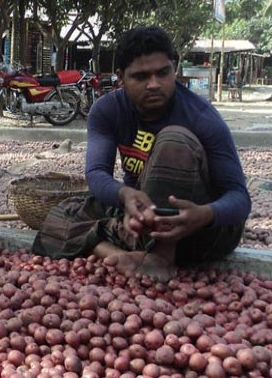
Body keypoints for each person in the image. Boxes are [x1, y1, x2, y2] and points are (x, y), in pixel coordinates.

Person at [32, 25, 250, 282]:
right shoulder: (107, 111)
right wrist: (125, 195)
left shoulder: (202, 118)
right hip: (139, 222)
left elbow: (239, 198)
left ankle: (159, 258)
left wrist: (205, 215)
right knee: (60, 214)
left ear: (174, 68)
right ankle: (118, 254)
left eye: (163, 73)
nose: (154, 84)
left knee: (174, 139)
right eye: (141, 77)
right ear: (121, 77)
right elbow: (96, 174)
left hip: (195, 232)